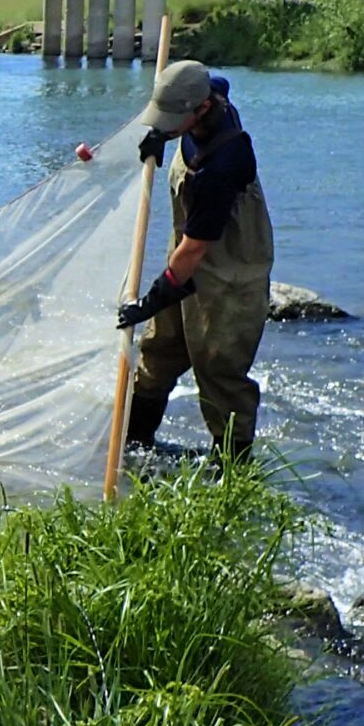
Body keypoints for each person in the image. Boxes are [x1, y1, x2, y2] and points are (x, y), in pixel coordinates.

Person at [115, 57, 274, 459]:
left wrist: (153, 299)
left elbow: (196, 248)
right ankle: (135, 448)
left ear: (202, 110)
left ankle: (232, 472)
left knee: (219, 371)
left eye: (173, 119)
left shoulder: (225, 163)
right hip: (187, 253)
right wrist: (162, 136)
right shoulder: (210, 89)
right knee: (158, 353)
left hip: (229, 270)